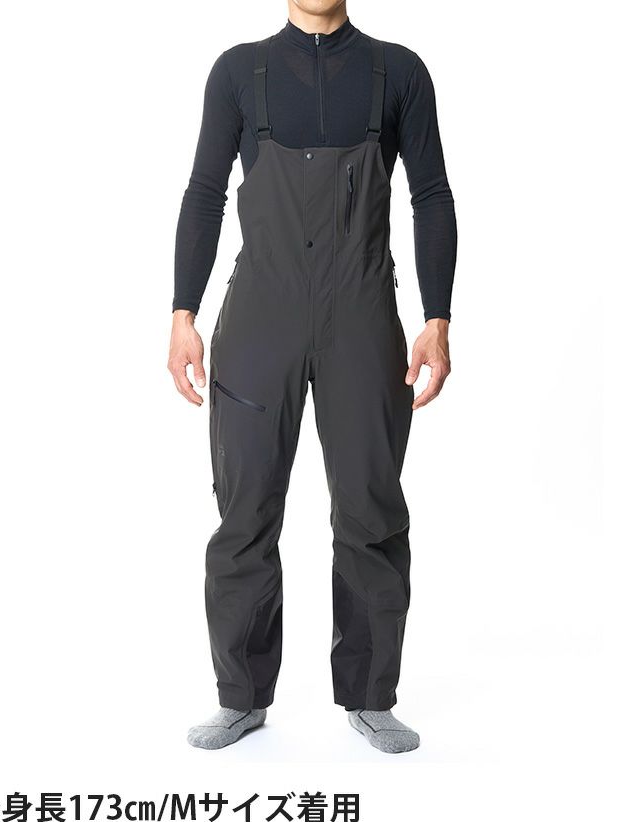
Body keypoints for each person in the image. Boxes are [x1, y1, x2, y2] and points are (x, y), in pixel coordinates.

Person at [168, 0, 456, 753]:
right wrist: (182, 311)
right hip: (259, 316)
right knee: (244, 513)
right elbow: (203, 191)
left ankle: (370, 696)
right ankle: (240, 698)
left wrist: (437, 315)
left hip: (362, 311)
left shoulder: (399, 72)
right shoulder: (239, 72)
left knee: (370, 508)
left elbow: (431, 194)